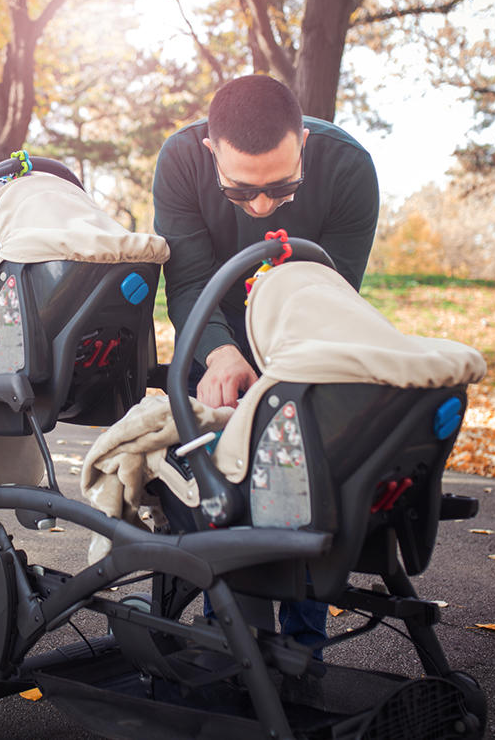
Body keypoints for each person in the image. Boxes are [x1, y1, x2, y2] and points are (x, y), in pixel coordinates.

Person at [152, 73, 379, 655]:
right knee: (220, 464)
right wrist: (220, 353)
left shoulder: (350, 168)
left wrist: (279, 385)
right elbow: (188, 281)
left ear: (303, 141)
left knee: (298, 461)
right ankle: (231, 639)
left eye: (282, 189)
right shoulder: (180, 159)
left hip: (304, 325)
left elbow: (332, 294)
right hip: (214, 324)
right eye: (239, 191)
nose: (259, 205)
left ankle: (305, 651)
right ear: (212, 152)